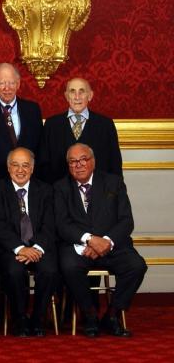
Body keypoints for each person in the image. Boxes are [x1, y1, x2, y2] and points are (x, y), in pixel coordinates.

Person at [53, 143, 146, 337]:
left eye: (83, 159)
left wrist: (106, 241)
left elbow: (126, 221)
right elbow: (62, 224)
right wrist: (90, 240)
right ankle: (90, 315)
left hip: (113, 244)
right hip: (79, 246)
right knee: (69, 266)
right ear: (68, 165)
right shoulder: (60, 187)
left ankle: (112, 315)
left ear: (93, 161)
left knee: (136, 266)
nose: (78, 165)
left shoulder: (114, 182)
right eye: (73, 161)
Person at [0, 147, 57, 337]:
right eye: (15, 165)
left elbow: (50, 224)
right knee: (14, 271)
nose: (20, 170)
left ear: (32, 169)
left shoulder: (45, 190)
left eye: (25, 165)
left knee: (50, 270)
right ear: (8, 168)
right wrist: (20, 248)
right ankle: (19, 319)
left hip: (39, 247)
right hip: (10, 249)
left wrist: (35, 248)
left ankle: (38, 317)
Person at [41, 77, 123, 184]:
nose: (77, 97)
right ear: (66, 96)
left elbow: (115, 165)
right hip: (60, 195)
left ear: (90, 96)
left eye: (82, 91)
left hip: (98, 194)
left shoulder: (105, 125)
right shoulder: (52, 125)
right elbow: (43, 166)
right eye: (72, 91)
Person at [0, 63, 44, 185]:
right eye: (2, 83)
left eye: (11, 83)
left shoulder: (32, 110)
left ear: (18, 84)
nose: (7, 88)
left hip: (28, 180)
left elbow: (40, 147)